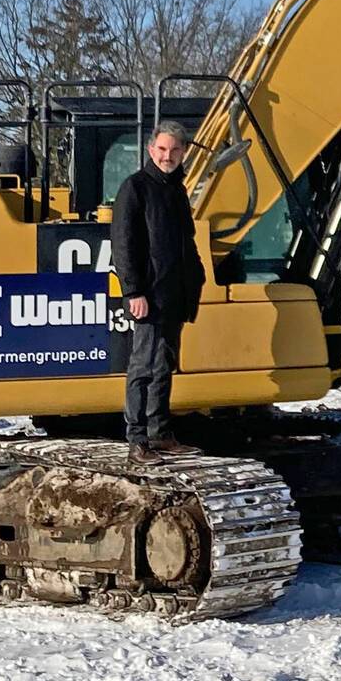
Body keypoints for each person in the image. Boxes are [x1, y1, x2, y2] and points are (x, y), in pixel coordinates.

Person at [111, 121, 206, 463]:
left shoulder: (176, 191)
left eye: (174, 150)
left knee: (164, 365)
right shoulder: (136, 188)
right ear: (151, 150)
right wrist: (133, 291)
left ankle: (160, 433)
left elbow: (186, 241)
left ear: (183, 153)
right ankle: (137, 440)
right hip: (148, 295)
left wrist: (196, 275)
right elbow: (124, 244)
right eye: (162, 150)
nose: (168, 156)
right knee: (143, 366)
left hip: (174, 294)